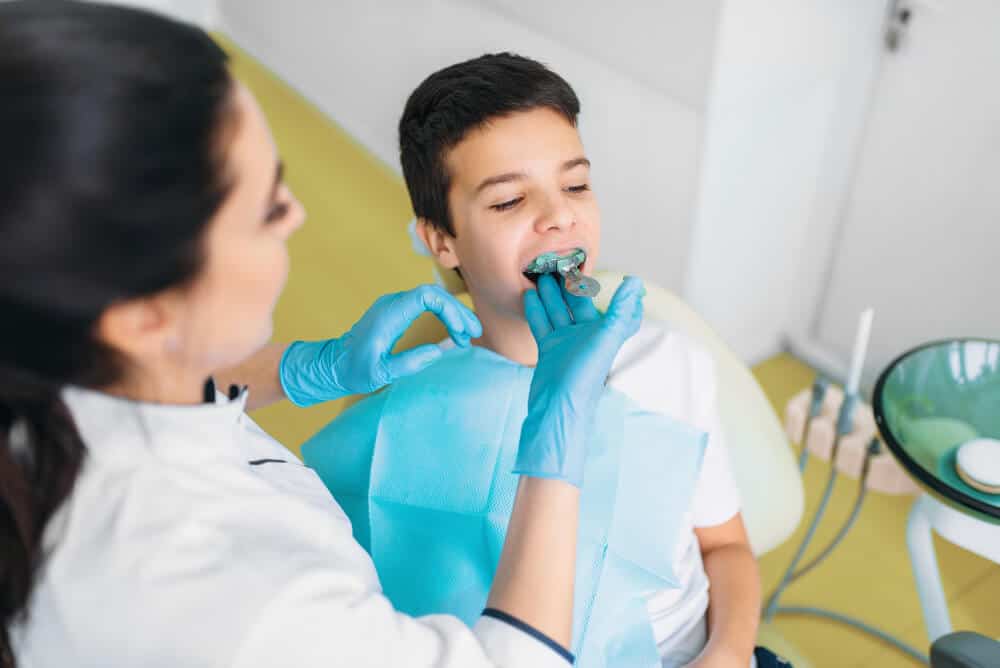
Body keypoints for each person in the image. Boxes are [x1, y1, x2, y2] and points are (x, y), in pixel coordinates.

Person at [0, 4, 645, 667]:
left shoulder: (42, 356)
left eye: (576, 183)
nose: (298, 215)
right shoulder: (230, 602)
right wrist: (555, 439)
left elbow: (144, 394)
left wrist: (309, 367)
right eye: (267, 209)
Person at [303, 54, 778, 667]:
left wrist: (729, 653)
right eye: (508, 202)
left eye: (575, 184)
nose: (560, 215)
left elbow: (727, 550)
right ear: (441, 241)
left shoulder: (669, 366)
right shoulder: (410, 405)